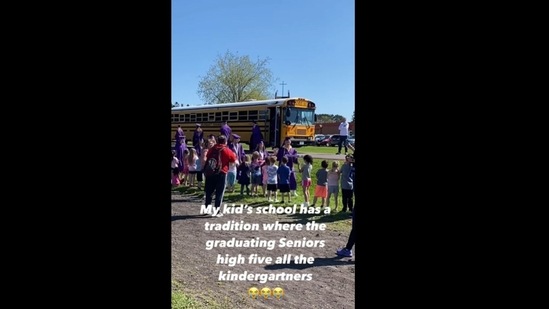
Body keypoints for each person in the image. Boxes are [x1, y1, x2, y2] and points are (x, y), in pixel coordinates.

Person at [203, 134, 237, 217]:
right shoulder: (227, 150)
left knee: (209, 191)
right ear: (225, 141)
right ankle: (217, 211)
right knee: (219, 192)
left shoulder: (212, 149)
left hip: (210, 172)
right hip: (221, 172)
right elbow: (233, 160)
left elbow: (208, 157)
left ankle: (207, 209)